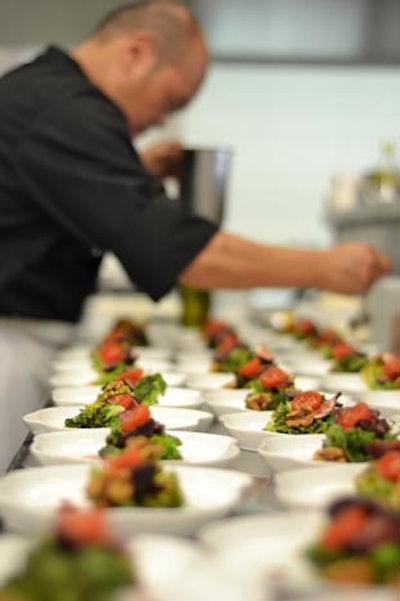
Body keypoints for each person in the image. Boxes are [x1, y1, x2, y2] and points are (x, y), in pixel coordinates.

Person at [0, 0, 391, 472]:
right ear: (137, 52)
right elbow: (181, 251)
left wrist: (129, 175)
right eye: (170, 100)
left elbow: (42, 203)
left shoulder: (49, 96)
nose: (163, 119)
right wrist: (324, 267)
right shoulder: (64, 109)